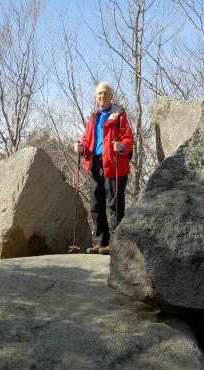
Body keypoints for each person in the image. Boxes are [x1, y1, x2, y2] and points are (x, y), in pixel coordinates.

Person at [74, 82, 134, 255]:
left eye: (106, 93)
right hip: (95, 164)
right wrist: (81, 148)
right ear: (96, 97)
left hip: (114, 164)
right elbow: (86, 141)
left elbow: (128, 139)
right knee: (95, 203)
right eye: (99, 93)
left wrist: (121, 146)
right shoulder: (93, 118)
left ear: (111, 96)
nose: (102, 96)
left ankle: (116, 244)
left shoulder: (119, 114)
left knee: (115, 204)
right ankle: (102, 243)